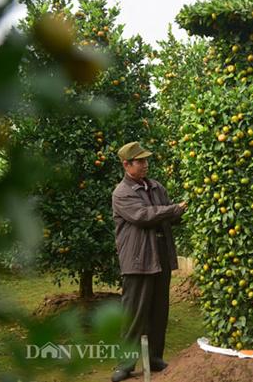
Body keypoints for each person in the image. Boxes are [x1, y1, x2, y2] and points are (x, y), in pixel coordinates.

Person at [110, 141, 187, 382]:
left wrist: (180, 212)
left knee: (158, 311)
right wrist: (174, 210)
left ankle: (154, 358)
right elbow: (143, 216)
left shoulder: (156, 187)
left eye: (146, 160)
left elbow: (168, 216)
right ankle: (125, 363)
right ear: (126, 164)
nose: (145, 165)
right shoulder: (122, 193)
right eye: (140, 161)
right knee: (134, 313)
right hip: (138, 260)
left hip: (160, 257)